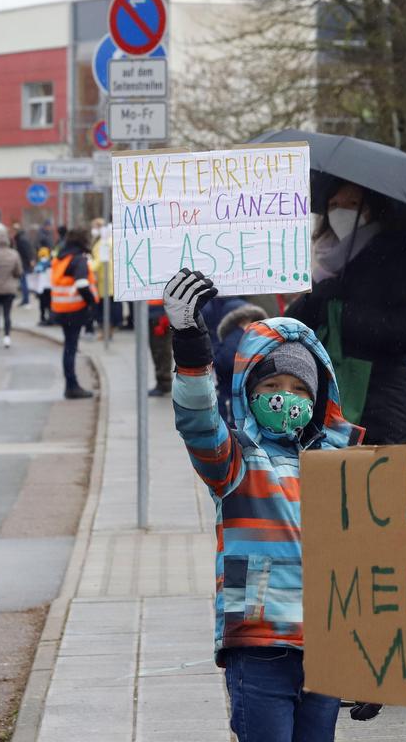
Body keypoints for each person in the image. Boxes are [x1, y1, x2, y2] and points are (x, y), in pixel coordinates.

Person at [163, 268, 363, 742]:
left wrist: (369, 654)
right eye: (273, 387)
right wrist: (191, 347)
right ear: (250, 395)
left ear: (317, 401)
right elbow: (196, 421)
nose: (286, 399)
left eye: (299, 391)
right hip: (260, 647)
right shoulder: (235, 463)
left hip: (327, 650)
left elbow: (360, 563)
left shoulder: (338, 467)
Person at [286, 182, 406, 444]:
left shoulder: (400, 259)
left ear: (372, 210)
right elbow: (293, 326)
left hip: (381, 406)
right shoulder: (324, 262)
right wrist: (315, 300)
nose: (341, 211)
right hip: (327, 400)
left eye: (352, 204)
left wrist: (344, 315)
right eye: (334, 205)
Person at [51, 228, 96, 400]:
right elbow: (82, 283)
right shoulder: (79, 260)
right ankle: (72, 386)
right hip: (74, 310)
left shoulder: (61, 257)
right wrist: (92, 301)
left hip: (61, 309)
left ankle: (70, 385)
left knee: (68, 348)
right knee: (71, 348)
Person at [212, 302, 268, 424]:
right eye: (248, 322)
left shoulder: (254, 339)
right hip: (232, 400)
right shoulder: (234, 339)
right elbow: (225, 361)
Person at [13, 222, 34, 307]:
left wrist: (30, 260)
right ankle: (25, 299)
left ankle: (26, 300)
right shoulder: (21, 239)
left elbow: (27, 251)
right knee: (23, 282)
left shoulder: (21, 240)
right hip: (23, 263)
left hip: (23, 263)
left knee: (24, 282)